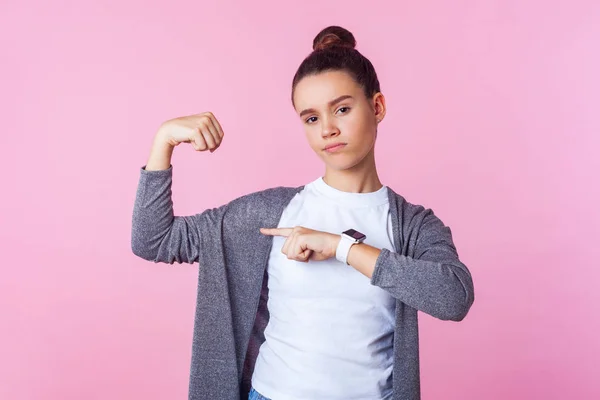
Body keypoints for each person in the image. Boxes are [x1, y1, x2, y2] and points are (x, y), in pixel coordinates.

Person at [132, 25, 475, 400]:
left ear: (377, 107)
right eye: (311, 118)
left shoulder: (413, 225)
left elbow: (453, 298)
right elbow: (154, 240)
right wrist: (163, 142)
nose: (328, 129)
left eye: (342, 109)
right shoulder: (269, 213)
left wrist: (342, 248)